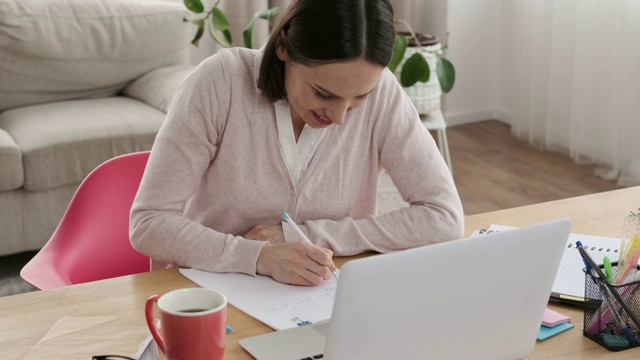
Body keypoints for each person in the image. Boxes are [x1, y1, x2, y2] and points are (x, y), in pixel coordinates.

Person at [130, 0, 464, 287]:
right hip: (210, 296)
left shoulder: (384, 94)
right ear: (284, 47)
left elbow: (444, 216)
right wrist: (260, 256)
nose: (340, 117)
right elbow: (149, 223)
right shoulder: (221, 83)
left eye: (359, 97)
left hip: (321, 296)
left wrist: (301, 236)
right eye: (324, 94)